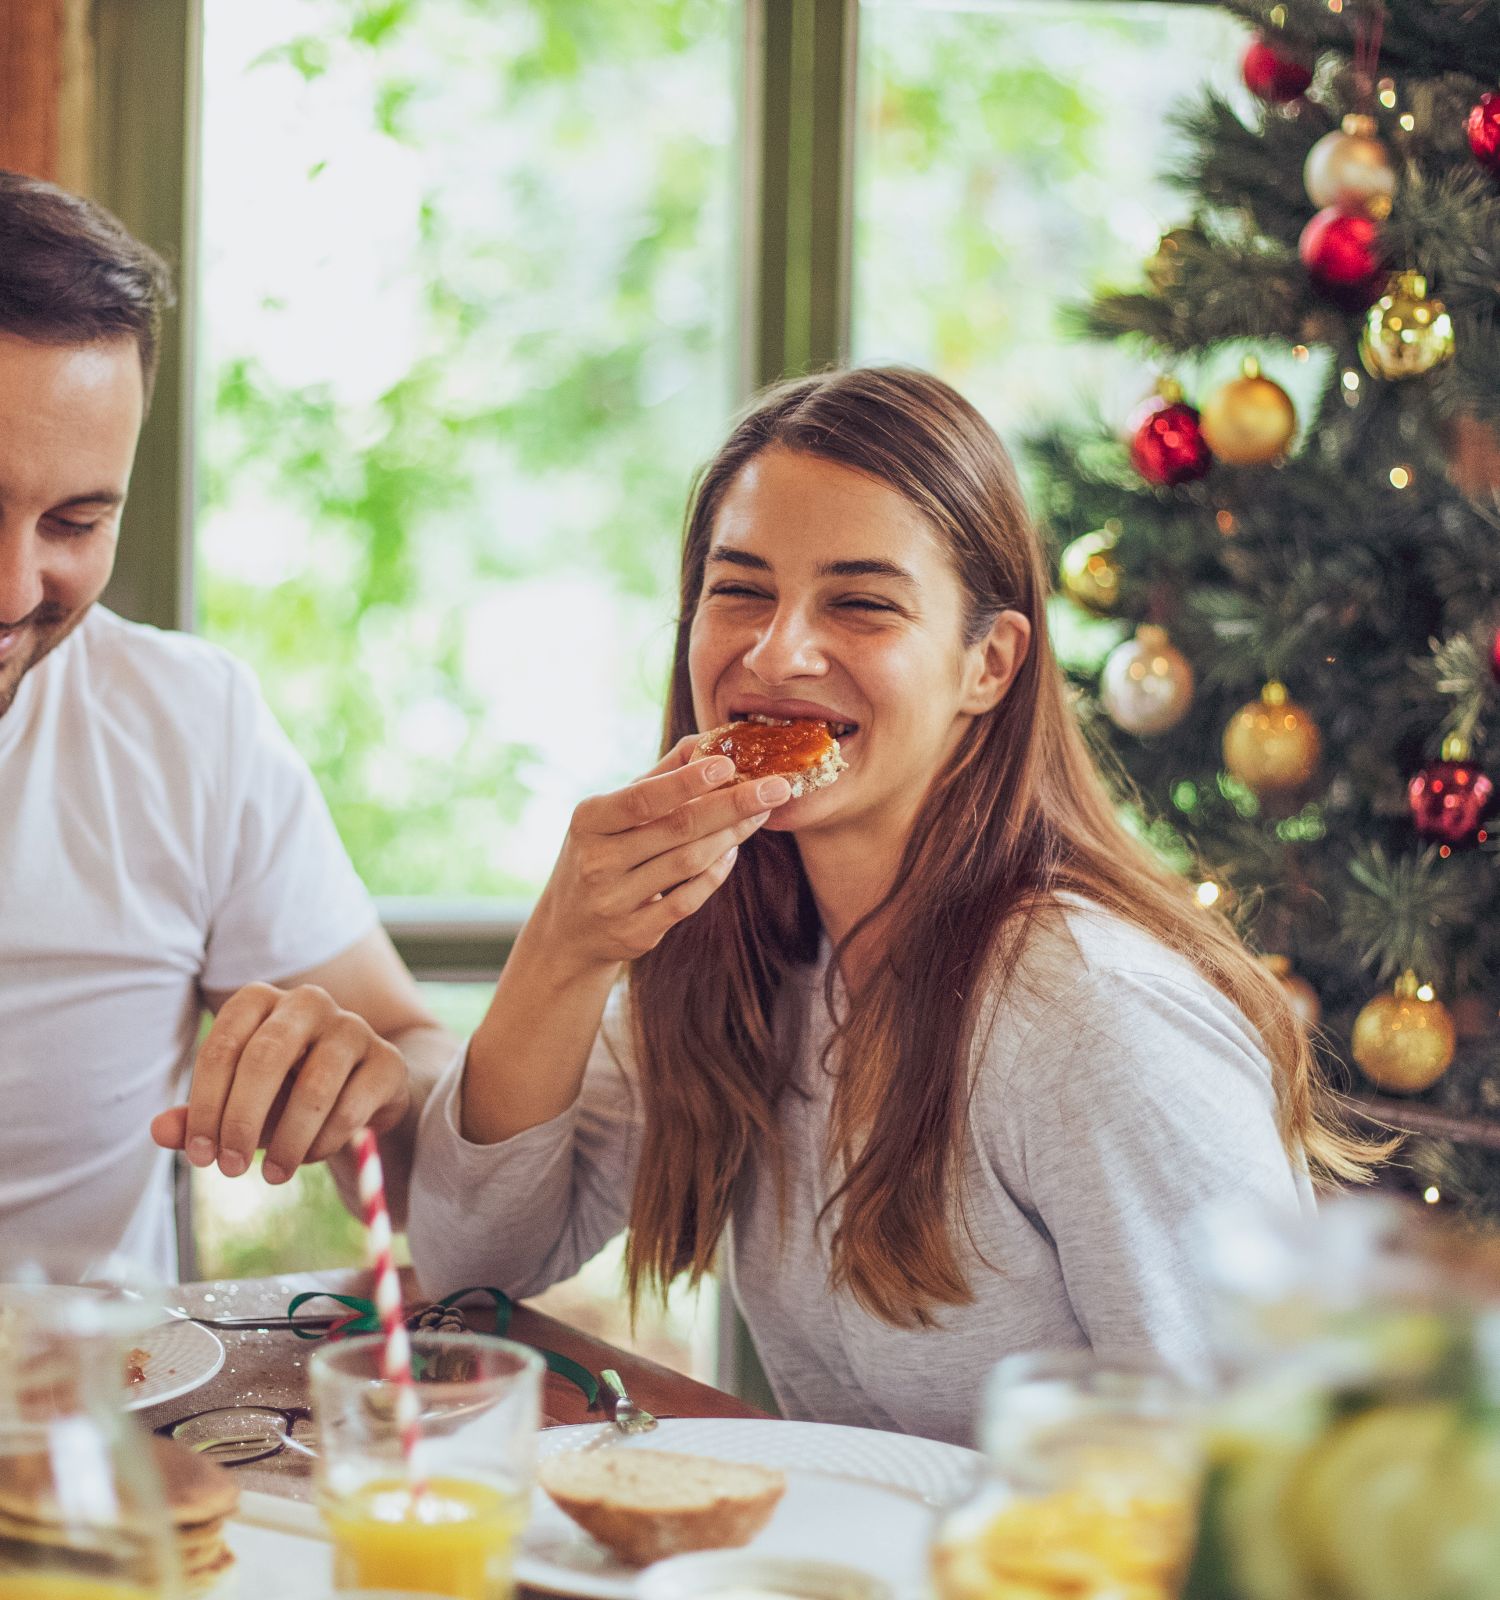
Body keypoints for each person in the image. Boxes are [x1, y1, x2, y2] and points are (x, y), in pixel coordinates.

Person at [407, 366, 1378, 1445]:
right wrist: (564, 948)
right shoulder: (752, 952)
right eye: (740, 590)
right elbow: (471, 1266)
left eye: (861, 602)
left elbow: (1257, 1491)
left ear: (988, 664)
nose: (778, 653)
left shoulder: (1093, 1016)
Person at [0, 170, 454, 1277]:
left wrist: (369, 1081)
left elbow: (406, 1065)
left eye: (73, 521)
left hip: (88, 1432)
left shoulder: (183, 726)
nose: (15, 588)